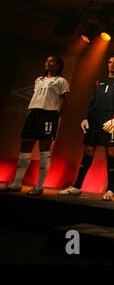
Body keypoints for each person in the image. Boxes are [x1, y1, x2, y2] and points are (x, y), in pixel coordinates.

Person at [58, 56, 114, 201]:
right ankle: (77, 186)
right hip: (94, 118)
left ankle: (110, 190)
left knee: (110, 151)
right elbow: (92, 101)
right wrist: (86, 117)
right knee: (88, 149)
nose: (112, 65)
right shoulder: (100, 81)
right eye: (110, 62)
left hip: (110, 118)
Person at [0, 55, 69, 195]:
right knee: (26, 144)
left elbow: (65, 101)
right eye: (47, 61)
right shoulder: (39, 80)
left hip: (49, 115)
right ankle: (17, 183)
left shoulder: (61, 81)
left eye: (51, 61)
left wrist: (56, 116)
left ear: (59, 65)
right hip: (33, 113)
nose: (48, 63)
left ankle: (39, 186)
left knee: (44, 147)